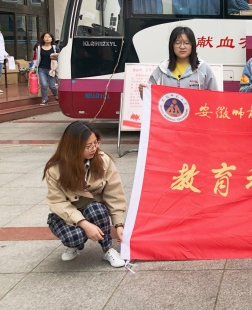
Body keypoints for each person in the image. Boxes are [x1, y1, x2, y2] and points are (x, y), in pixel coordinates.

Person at [44, 121, 127, 267]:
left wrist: (119, 224)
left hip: (92, 208)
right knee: (74, 237)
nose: (94, 148)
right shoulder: (55, 169)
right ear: (73, 146)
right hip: (67, 214)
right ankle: (73, 245)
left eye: (96, 143)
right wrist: (84, 224)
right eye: (88, 146)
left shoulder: (103, 160)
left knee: (97, 210)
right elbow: (57, 202)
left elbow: (114, 192)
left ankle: (108, 249)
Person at [139, 26, 218, 96]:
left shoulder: (203, 68)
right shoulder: (162, 68)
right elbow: (150, 98)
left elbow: (215, 97)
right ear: (172, 45)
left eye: (187, 43)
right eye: (177, 43)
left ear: (192, 45)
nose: (182, 47)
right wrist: (143, 92)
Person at [29, 32, 58, 105]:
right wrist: (33, 68)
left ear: (52, 39)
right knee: (44, 85)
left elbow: (59, 58)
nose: (47, 38)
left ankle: (56, 95)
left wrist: (55, 57)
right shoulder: (39, 48)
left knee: (52, 86)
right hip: (41, 69)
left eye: (49, 37)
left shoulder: (55, 47)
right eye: (46, 37)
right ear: (43, 38)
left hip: (51, 69)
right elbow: (36, 59)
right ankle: (45, 99)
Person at [0, 29, 7, 95]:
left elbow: (2, 47)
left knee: (0, 73)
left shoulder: (1, 35)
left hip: (1, 58)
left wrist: (6, 54)